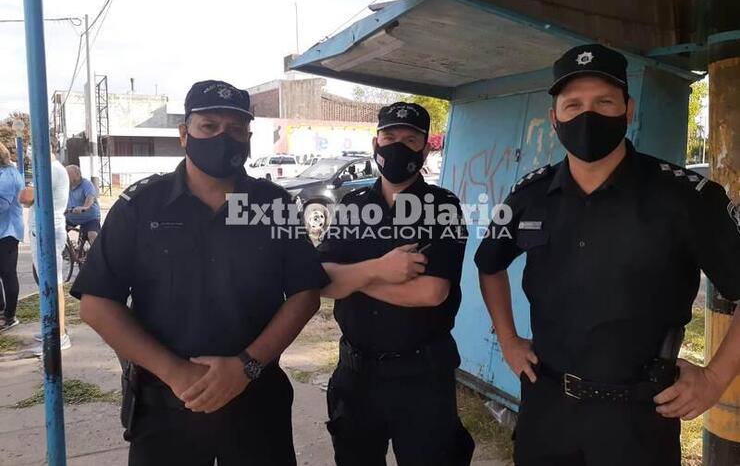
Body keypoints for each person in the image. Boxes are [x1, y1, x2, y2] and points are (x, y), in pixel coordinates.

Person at [475, 44, 740, 466]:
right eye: (573, 104)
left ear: (628, 110)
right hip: (547, 410)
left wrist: (714, 378)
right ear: (554, 118)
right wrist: (507, 340)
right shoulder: (530, 195)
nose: (587, 115)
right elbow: (489, 264)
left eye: (604, 102)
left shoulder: (687, 198)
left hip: (638, 418)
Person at [71, 80, 329, 466]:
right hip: (165, 409)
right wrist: (175, 373)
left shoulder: (274, 204)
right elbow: (96, 304)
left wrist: (247, 365)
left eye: (236, 130)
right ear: (184, 133)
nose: (224, 137)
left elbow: (305, 294)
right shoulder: (141, 205)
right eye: (209, 126)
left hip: (256, 404)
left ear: (248, 137)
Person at [319, 102, 474, 466]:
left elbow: (431, 292)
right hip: (355, 379)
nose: (397, 146)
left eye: (410, 138)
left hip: (422, 379)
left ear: (426, 147)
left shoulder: (443, 207)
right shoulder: (352, 205)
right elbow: (320, 280)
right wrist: (380, 269)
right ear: (376, 142)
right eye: (389, 137)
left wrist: (353, 278)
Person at [19, 135, 72, 352]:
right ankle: (54, 329)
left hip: (47, 230)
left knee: (53, 283)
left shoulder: (49, 169)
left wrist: (29, 185)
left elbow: (25, 197)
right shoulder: (51, 168)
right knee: (48, 282)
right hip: (44, 228)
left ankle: (58, 336)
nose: (30, 154)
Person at [0, 143, 25, 332]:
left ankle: (10, 316)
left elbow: (3, 205)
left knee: (8, 273)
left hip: (8, 232)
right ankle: (2, 311)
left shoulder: (8, 176)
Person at [65, 165, 100, 246]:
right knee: (56, 232)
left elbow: (90, 198)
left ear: (77, 175)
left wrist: (84, 207)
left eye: (68, 175)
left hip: (89, 218)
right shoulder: (65, 185)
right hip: (70, 217)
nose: (65, 177)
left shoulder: (87, 184)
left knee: (93, 235)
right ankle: (65, 251)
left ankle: (96, 256)